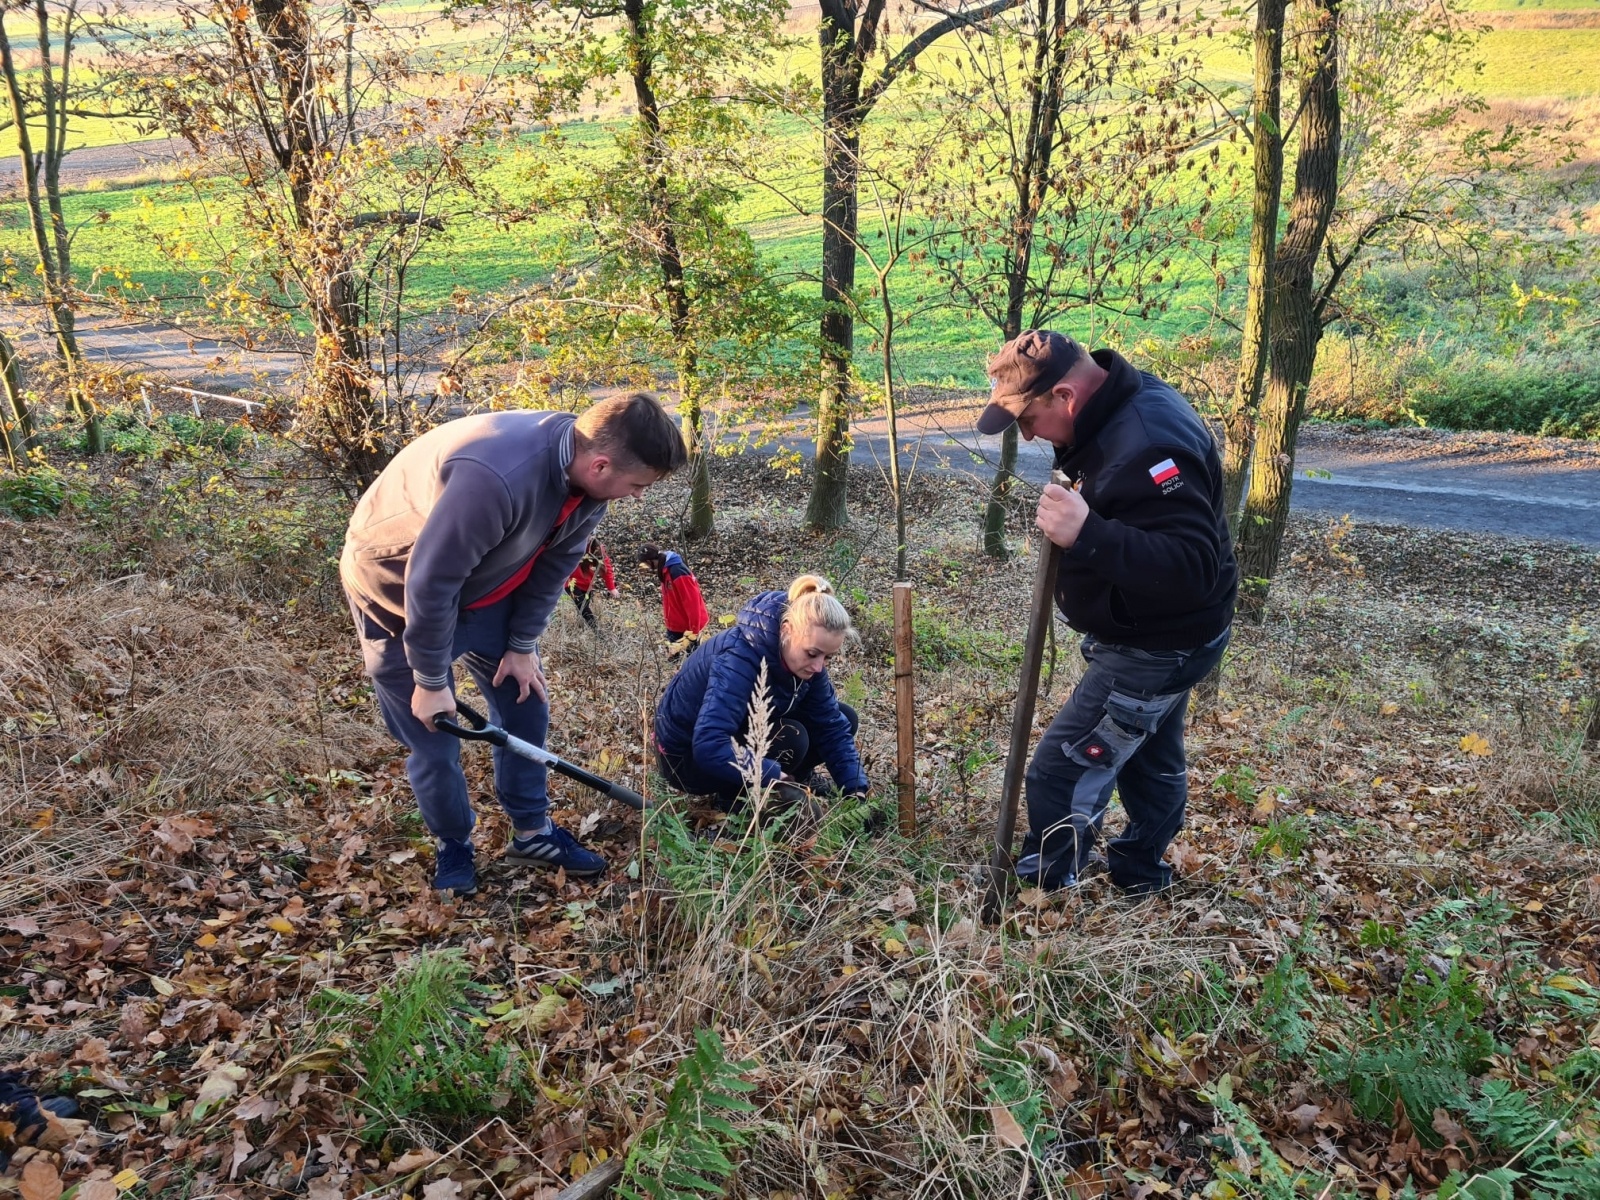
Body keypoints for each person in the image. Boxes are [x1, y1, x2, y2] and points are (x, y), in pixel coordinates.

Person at [340, 393, 687, 894]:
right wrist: (431, 680)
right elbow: (430, 584)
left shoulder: (590, 484)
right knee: (434, 737)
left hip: (487, 585)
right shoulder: (496, 477)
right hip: (394, 592)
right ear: (601, 464)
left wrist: (522, 645)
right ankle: (453, 844)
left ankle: (532, 834)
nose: (637, 496)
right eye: (638, 486)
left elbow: (557, 564)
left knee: (526, 701)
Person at [976, 330, 1237, 895]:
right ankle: (1140, 874)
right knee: (1148, 758)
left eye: (1028, 418)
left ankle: (1046, 886)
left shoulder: (1150, 445)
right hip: (1162, 633)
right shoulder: (1113, 409)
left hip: (1157, 645)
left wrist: (1087, 533)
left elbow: (1193, 567)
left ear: (1066, 396)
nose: (1027, 435)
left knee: (1063, 766)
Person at [654, 575, 870, 810]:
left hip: (735, 735)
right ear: (787, 630)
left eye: (827, 657)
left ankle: (800, 777)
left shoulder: (805, 662)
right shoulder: (738, 660)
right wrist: (773, 775)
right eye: (812, 654)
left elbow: (831, 726)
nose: (819, 667)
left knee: (844, 717)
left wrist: (855, 788)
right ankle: (735, 799)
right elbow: (709, 745)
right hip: (686, 761)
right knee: (792, 737)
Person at [637, 544, 709, 651]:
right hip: (675, 626)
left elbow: (692, 603)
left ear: (649, 561)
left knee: (691, 659)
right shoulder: (664, 569)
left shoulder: (677, 571)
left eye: (645, 564)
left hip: (688, 628)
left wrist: (694, 632)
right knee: (673, 657)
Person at [566, 537, 617, 630]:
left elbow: (606, 567)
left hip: (586, 584)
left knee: (583, 608)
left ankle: (580, 628)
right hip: (569, 582)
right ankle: (598, 633)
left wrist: (611, 588)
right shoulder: (568, 542)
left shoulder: (596, 547)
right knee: (584, 608)